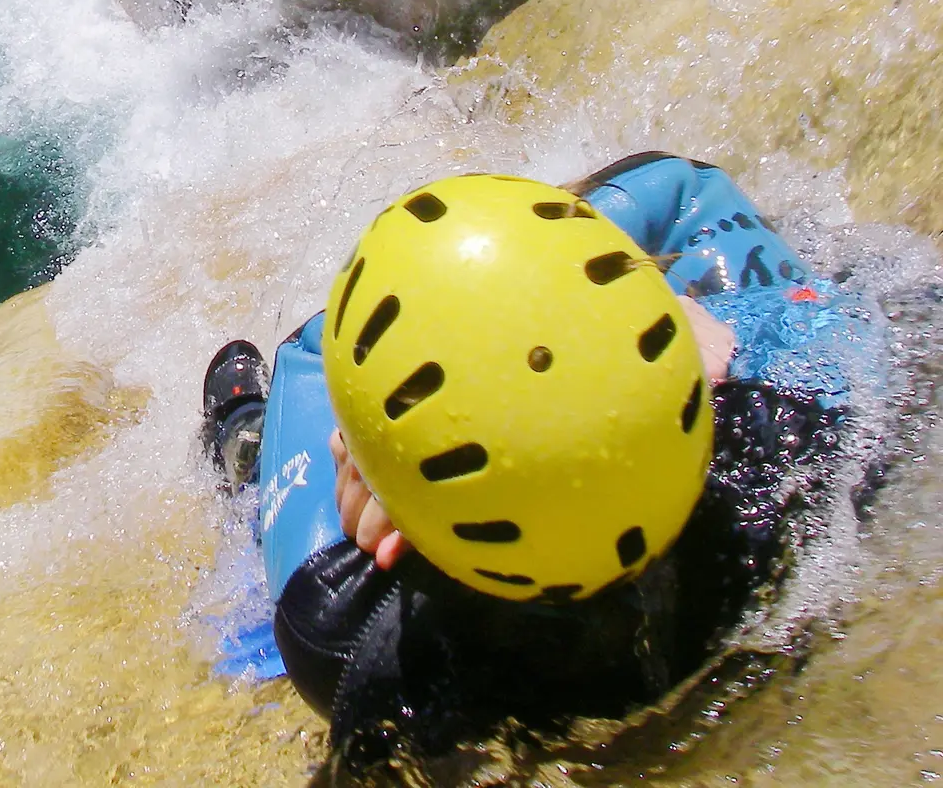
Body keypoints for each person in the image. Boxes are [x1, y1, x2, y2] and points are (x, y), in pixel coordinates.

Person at [200, 153, 883, 781]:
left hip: (390, 521)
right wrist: (679, 320)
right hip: (728, 401)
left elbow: (322, 352)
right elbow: (688, 193)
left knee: (332, 363)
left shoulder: (343, 631)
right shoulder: (792, 449)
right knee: (696, 219)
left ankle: (245, 437)